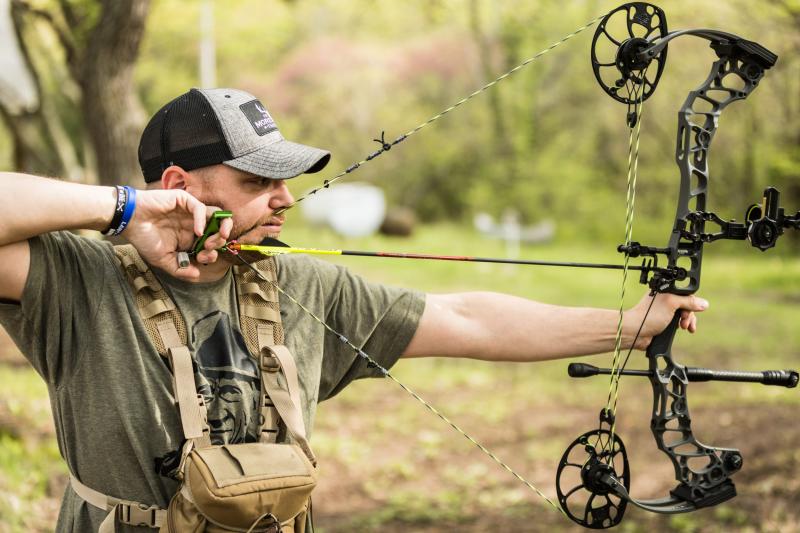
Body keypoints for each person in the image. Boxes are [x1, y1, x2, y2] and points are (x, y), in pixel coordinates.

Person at [0, 88, 708, 532]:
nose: (285, 200)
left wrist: (632, 324)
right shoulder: (78, 277)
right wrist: (123, 208)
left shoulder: (305, 287)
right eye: (258, 181)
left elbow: (470, 319)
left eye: (287, 181)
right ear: (181, 184)